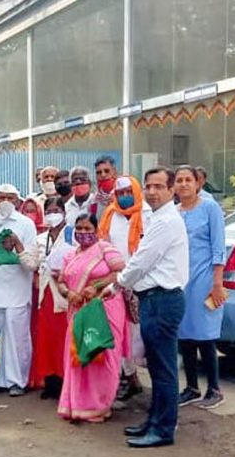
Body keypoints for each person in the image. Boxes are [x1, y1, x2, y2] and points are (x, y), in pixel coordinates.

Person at [109, 167, 189, 448]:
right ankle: (154, 421)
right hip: (153, 299)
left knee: (163, 369)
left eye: (159, 187)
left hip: (162, 299)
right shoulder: (157, 218)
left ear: (171, 190)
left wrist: (116, 285)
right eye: (149, 186)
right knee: (156, 367)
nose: (152, 192)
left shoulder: (166, 221)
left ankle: (164, 429)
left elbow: (142, 260)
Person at [56, 213, 128, 422]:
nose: (83, 232)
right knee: (78, 354)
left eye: (88, 229)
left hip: (105, 308)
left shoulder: (106, 249)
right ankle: (77, 405)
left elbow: (120, 272)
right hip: (78, 310)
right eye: (79, 228)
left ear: (96, 230)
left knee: (102, 354)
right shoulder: (70, 255)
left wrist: (95, 286)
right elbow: (60, 281)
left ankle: (100, 405)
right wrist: (68, 293)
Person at [174, 166, 227, 410]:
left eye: (188, 180)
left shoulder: (210, 208)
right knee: (185, 335)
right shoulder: (175, 213)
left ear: (198, 183)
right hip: (181, 281)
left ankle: (214, 389)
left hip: (205, 279)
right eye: (179, 180)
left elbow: (218, 247)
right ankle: (192, 387)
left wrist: (217, 283)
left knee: (205, 335)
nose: (184, 184)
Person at [97, 176, 151, 402]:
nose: (125, 196)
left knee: (143, 336)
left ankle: (155, 387)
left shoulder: (149, 214)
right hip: (117, 283)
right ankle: (130, 379)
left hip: (144, 284)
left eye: (129, 191)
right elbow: (103, 245)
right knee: (120, 333)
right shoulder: (110, 214)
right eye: (120, 193)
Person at [0, 184, 39, 396]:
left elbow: (31, 257)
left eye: (10, 197)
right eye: (1, 197)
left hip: (18, 288)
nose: (5, 201)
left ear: (17, 200)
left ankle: (17, 381)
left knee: (17, 338)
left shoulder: (26, 224)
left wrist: (16, 244)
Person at [29, 197, 74, 399]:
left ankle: (67, 382)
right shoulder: (40, 239)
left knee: (64, 339)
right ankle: (50, 383)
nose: (52, 214)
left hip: (64, 293)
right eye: (49, 211)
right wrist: (18, 247)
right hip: (45, 295)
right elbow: (32, 263)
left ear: (64, 212)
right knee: (46, 340)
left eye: (57, 210)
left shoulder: (73, 235)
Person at [93, 156, 118, 220]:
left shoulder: (122, 193)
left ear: (114, 171)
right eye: (99, 172)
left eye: (106, 171)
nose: (103, 175)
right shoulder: (95, 198)